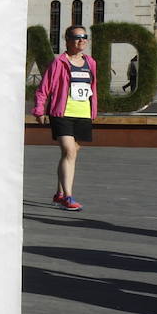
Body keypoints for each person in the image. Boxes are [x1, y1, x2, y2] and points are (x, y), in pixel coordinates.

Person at [33, 25, 97, 211]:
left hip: (83, 113)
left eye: (85, 37)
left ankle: (59, 193)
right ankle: (68, 197)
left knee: (71, 154)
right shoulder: (59, 62)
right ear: (67, 40)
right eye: (77, 37)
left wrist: (93, 111)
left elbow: (92, 89)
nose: (82, 40)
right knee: (69, 151)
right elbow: (44, 88)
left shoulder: (90, 62)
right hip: (62, 113)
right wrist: (39, 110)